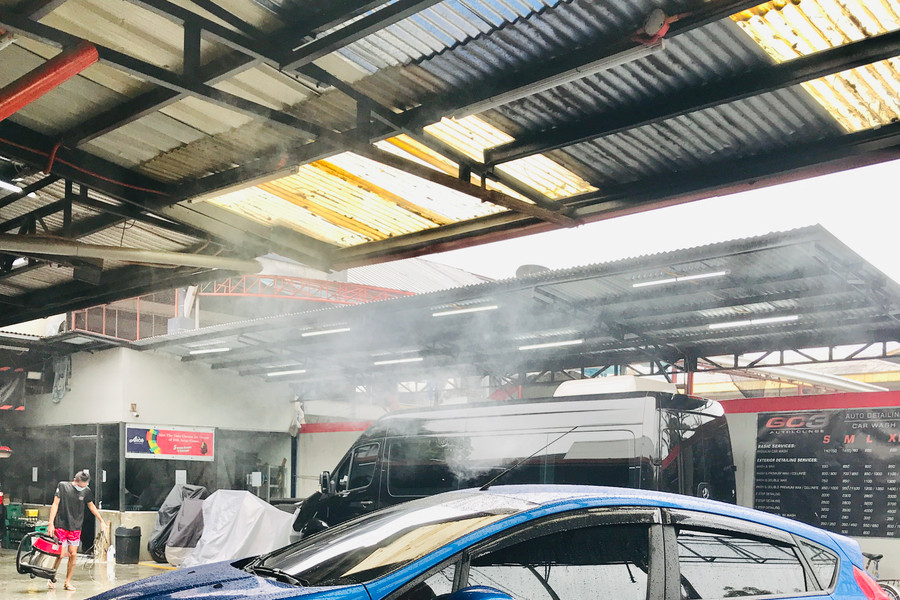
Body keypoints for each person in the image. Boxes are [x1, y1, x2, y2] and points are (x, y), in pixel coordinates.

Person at [47, 470, 105, 591]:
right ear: (75, 481)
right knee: (61, 554)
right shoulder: (63, 486)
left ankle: (67, 582)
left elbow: (91, 506)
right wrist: (50, 523)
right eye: (80, 486)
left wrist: (101, 520)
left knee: (73, 554)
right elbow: (55, 504)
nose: (82, 488)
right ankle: (52, 577)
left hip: (76, 526)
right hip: (61, 524)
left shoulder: (86, 491)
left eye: (85, 486)